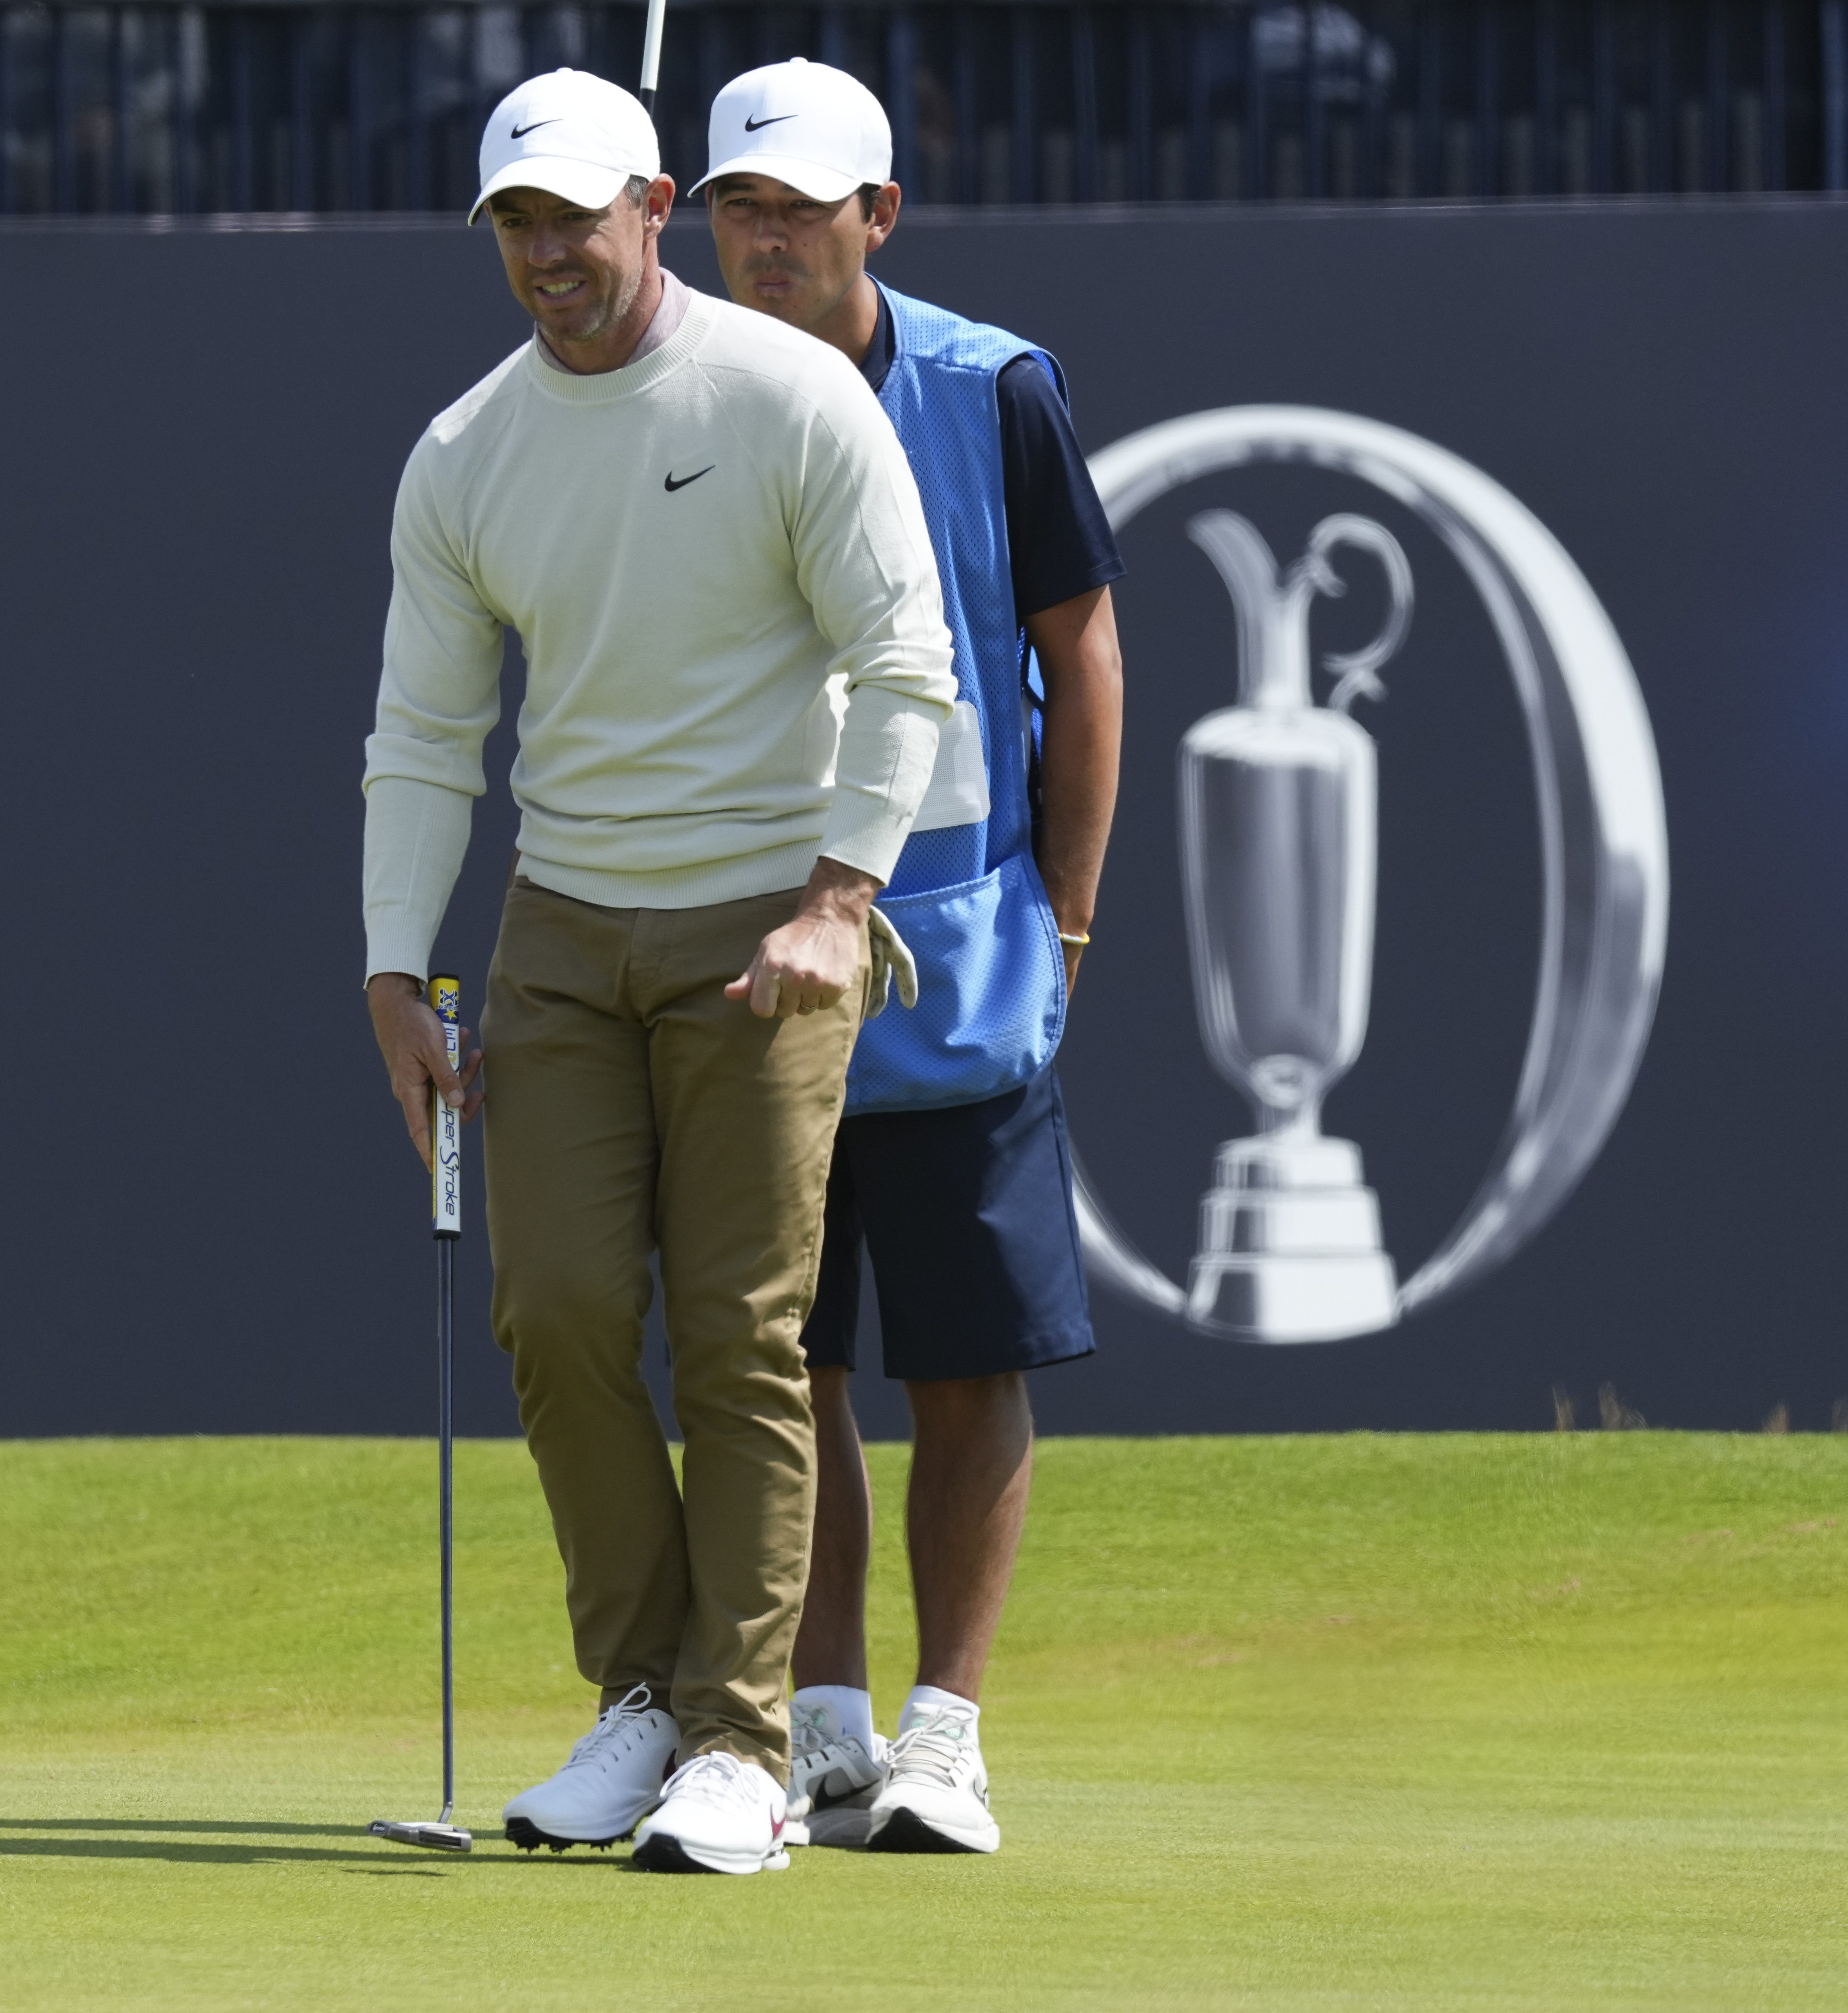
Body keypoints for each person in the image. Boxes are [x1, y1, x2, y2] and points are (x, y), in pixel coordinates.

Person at [359, 66, 958, 1876]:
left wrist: (837, 899)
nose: (549, 256)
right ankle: (640, 1700)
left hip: (768, 924)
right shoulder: (465, 453)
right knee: (548, 1307)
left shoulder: (785, 396)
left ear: (658, 203)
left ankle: (740, 1746)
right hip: (561, 932)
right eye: (516, 226)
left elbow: (908, 662)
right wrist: (396, 972)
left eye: (577, 217)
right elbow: (422, 736)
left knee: (740, 1335)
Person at [696, 59, 1127, 1856]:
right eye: (737, 205)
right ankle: (818, 1724)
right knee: (780, 1366)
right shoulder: (658, 388)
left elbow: (1082, 649)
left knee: (967, 1356)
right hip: (734, 949)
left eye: (802, 206)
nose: (767, 236)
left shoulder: (990, 385)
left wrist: (1072, 914)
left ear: (883, 215)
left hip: (957, 947)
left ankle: (946, 1734)